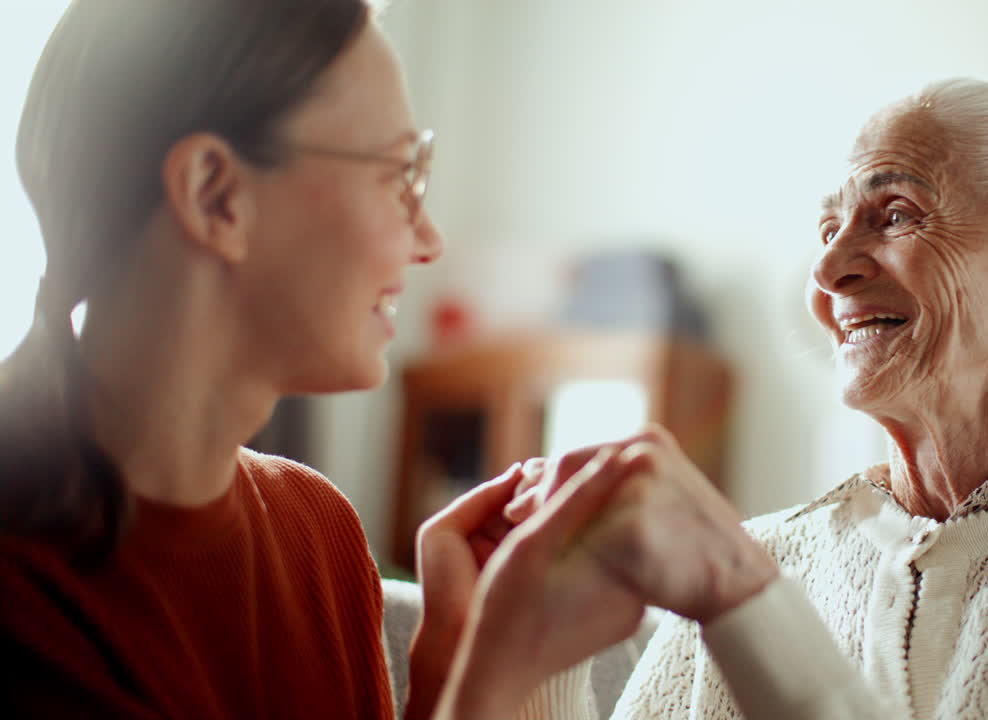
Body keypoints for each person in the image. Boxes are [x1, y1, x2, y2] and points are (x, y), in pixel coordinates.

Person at [498, 79, 988, 719]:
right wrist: (530, 657)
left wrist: (749, 608)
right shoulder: (754, 561)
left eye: (897, 213)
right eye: (829, 226)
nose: (828, 267)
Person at [0, 1, 645, 718]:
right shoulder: (23, 580)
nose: (428, 239)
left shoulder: (318, 533)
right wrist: (489, 689)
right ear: (216, 195)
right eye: (401, 171)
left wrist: (448, 680)